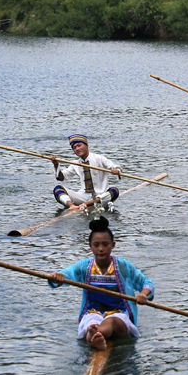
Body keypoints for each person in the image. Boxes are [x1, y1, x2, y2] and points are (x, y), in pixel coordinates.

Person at [49, 216, 154, 351]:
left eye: (105, 244)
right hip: (92, 313)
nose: (101, 249)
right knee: (90, 325)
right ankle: (95, 336)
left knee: (112, 322)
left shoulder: (123, 267)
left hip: (119, 314)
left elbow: (147, 283)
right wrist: (57, 277)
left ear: (113, 245)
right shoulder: (84, 266)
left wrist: (143, 294)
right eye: (96, 245)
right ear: (90, 246)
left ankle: (97, 334)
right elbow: (66, 274)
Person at [50, 134, 121, 212]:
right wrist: (56, 165)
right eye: (74, 148)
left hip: (100, 196)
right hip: (83, 196)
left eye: (79, 146)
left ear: (86, 145)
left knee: (114, 191)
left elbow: (114, 166)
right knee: (58, 189)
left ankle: (86, 204)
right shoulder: (75, 163)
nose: (77, 149)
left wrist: (116, 170)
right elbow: (61, 177)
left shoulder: (99, 158)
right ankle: (72, 206)